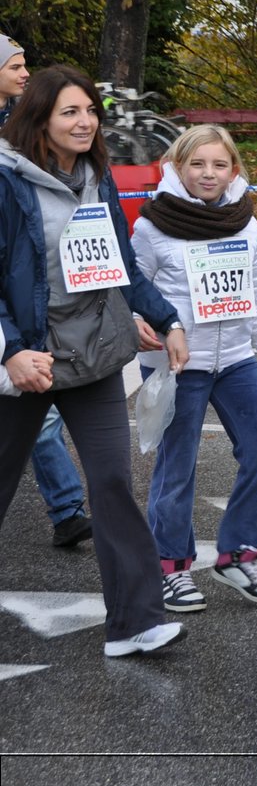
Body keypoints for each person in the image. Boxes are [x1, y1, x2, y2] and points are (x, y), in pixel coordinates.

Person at [0, 64, 188, 657]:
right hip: (28, 358)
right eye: (70, 113)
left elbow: (120, 265)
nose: (86, 123)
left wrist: (166, 317)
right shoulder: (7, 181)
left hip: (95, 354)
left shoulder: (98, 176)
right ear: (39, 119)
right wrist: (10, 352)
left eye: (90, 112)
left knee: (111, 482)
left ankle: (136, 622)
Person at [131, 124, 257, 614]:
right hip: (181, 364)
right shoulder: (151, 226)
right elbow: (136, 291)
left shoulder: (247, 223)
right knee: (176, 468)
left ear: (234, 170)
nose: (208, 174)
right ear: (177, 167)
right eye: (197, 164)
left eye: (219, 165)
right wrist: (139, 322)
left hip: (237, 359)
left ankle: (239, 553)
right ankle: (172, 567)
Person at [0, 33, 92, 548]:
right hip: (11, 327)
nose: (23, 72)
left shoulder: (29, 135)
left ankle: (66, 509)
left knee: (43, 414)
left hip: (25, 321)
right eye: (14, 65)